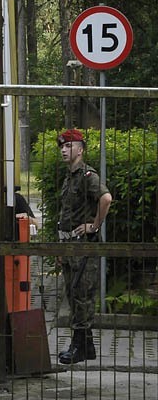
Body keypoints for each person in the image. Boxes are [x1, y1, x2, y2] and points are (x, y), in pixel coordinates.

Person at [56, 129, 112, 365]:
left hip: (82, 247)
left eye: (68, 146)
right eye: (62, 146)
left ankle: (78, 346)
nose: (63, 150)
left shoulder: (88, 175)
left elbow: (106, 198)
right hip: (69, 246)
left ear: (80, 149)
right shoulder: (70, 177)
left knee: (82, 297)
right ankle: (87, 347)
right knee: (73, 293)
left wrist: (94, 225)